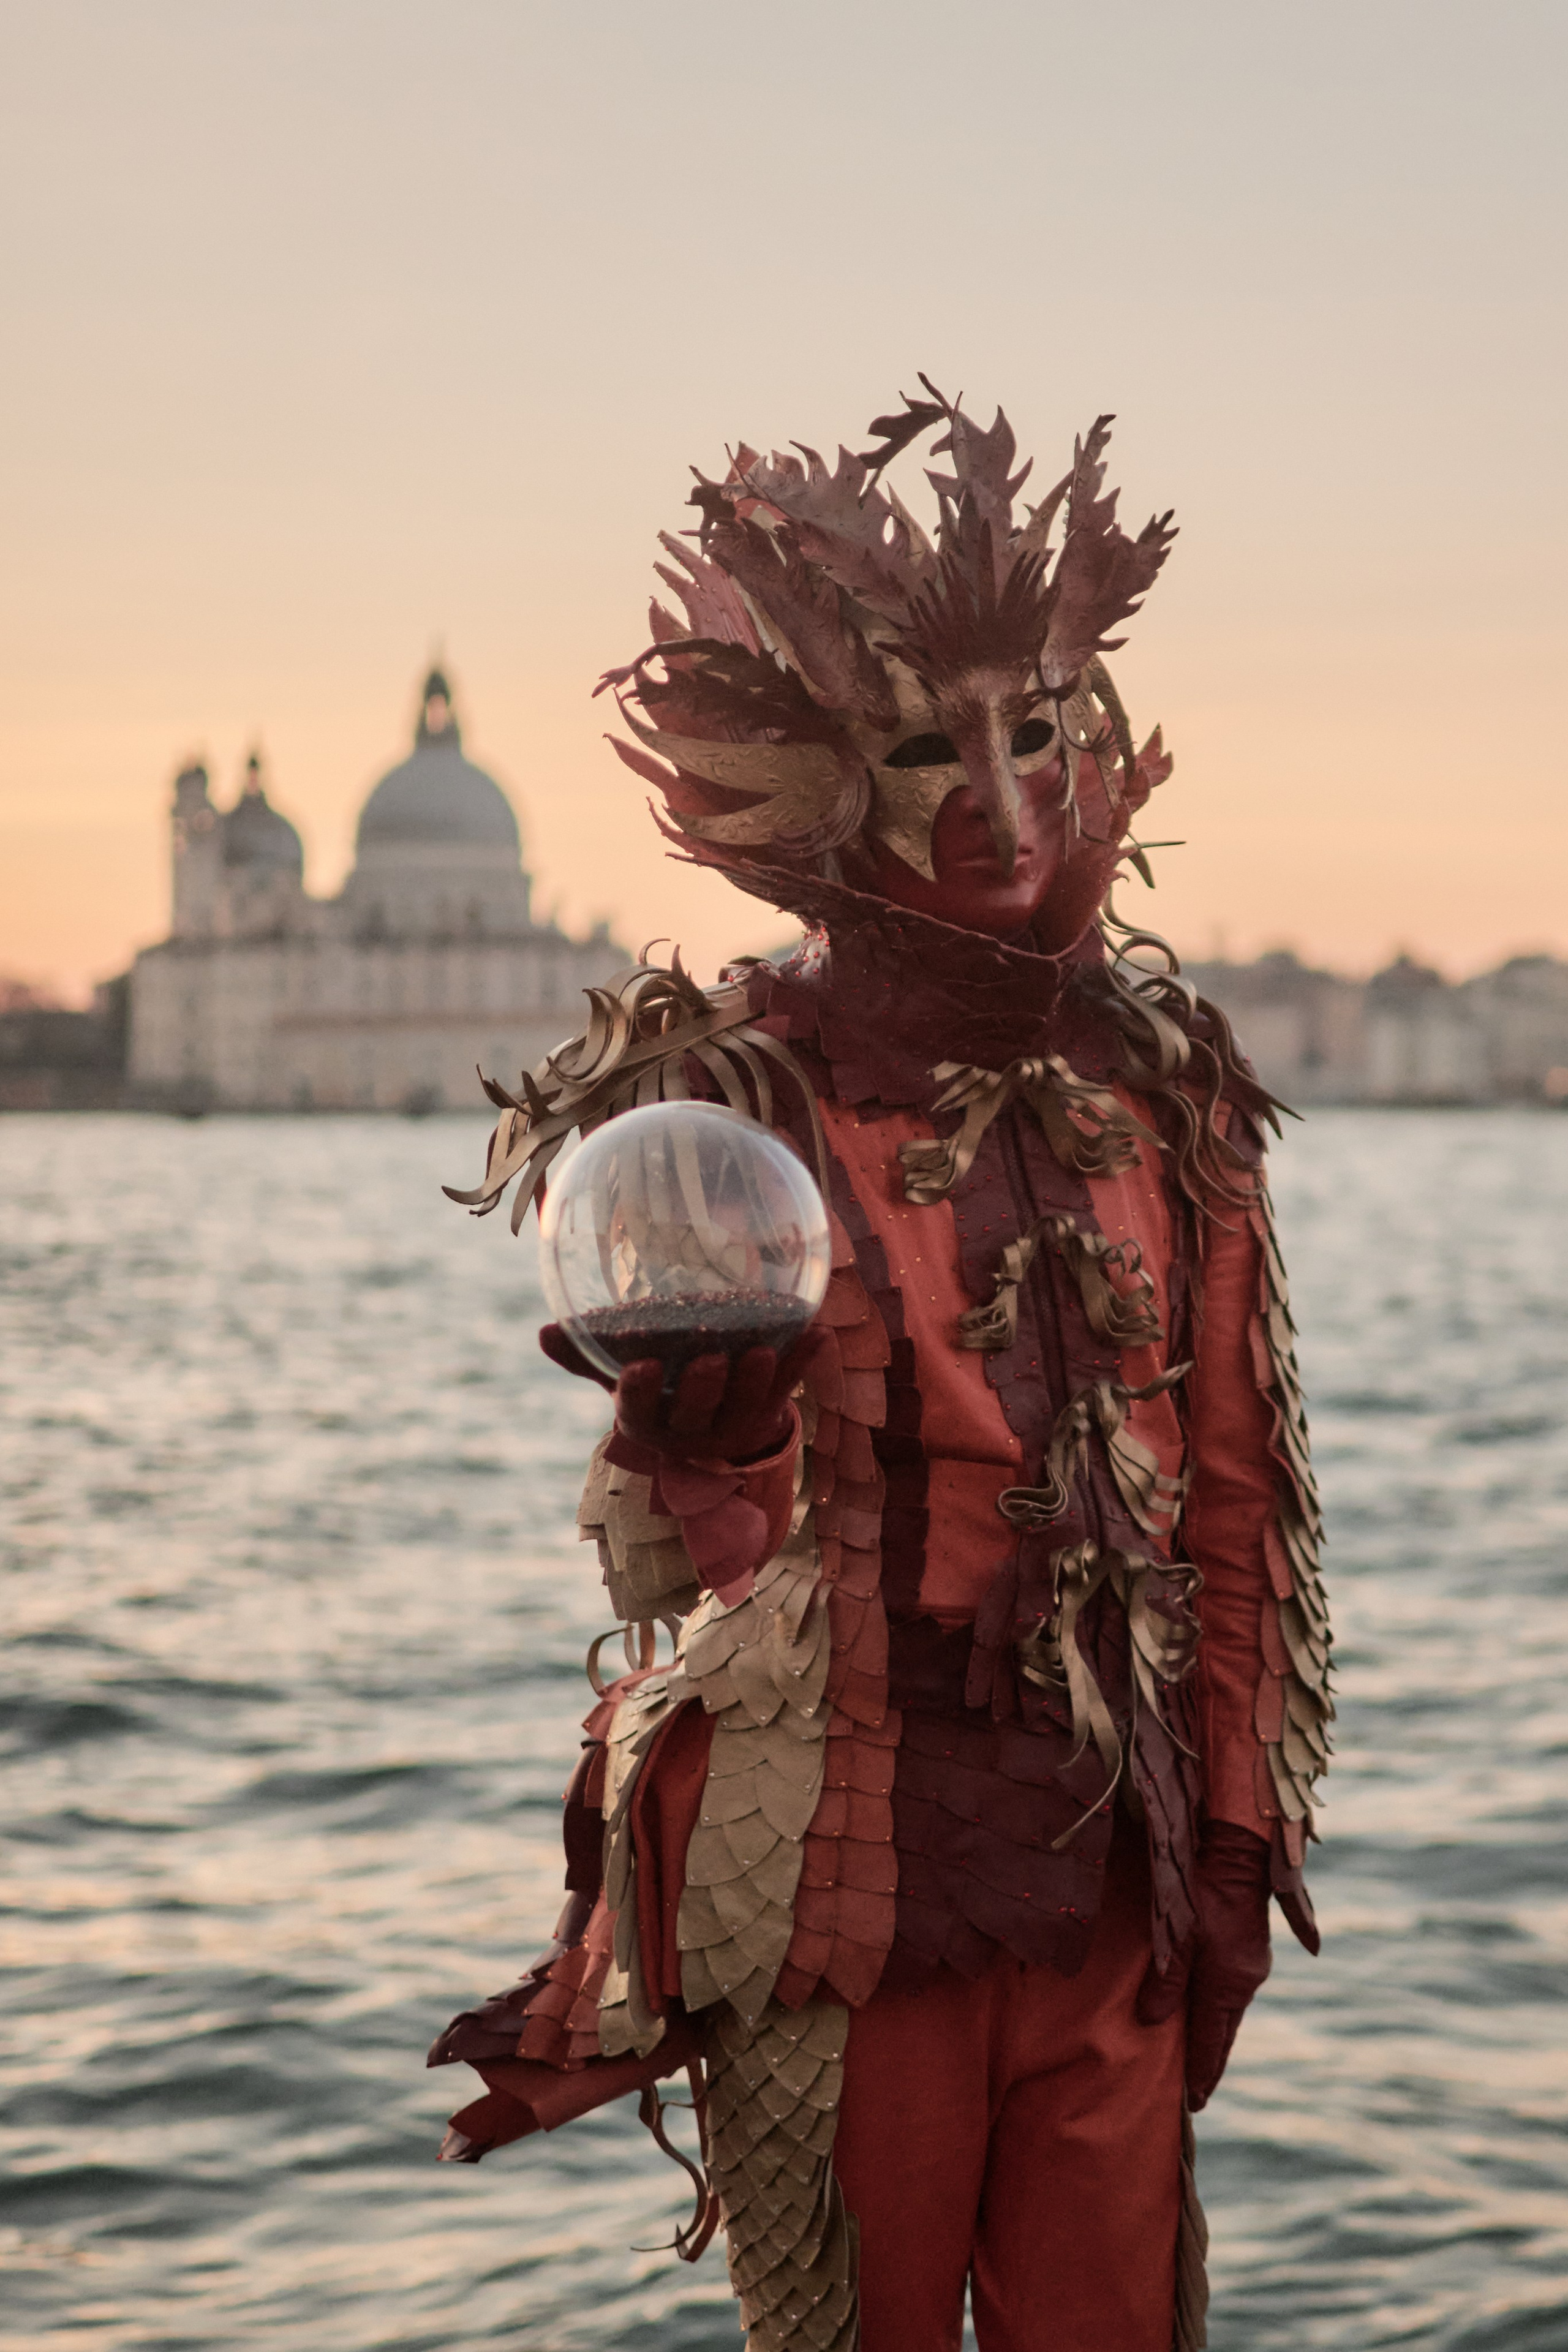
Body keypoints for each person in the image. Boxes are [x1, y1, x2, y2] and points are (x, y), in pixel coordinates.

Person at [429, 386, 1332, 2352]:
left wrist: (1241, 1844)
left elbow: (1243, 1500)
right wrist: (704, 1436)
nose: (1003, 803)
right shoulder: (733, 1094)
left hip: (1121, 1879)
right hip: (849, 1890)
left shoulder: (1175, 1091)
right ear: (832, 777)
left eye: (1044, 731)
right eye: (933, 745)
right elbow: (679, 1560)